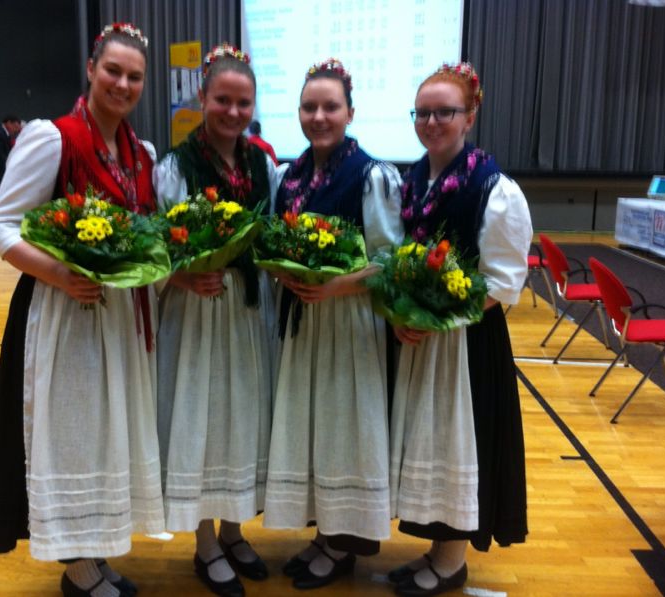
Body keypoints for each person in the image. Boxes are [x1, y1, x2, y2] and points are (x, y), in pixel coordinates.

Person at [0, 23, 163, 597]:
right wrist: (62, 274)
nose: (123, 84)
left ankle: (95, 553)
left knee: (107, 435)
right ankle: (77, 569)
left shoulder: (141, 154)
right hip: (64, 314)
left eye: (134, 76)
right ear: (90, 69)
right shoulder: (53, 139)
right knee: (74, 437)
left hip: (118, 318)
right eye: (113, 70)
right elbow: (0, 226)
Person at [387, 62, 531, 596]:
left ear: (470, 115)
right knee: (428, 446)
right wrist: (402, 312)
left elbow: (503, 282)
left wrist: (437, 315)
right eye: (422, 113)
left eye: (444, 112)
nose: (431, 122)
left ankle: (451, 563)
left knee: (455, 448)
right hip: (421, 339)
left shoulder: (495, 188)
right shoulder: (412, 181)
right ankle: (435, 550)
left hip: (466, 342)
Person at [262, 58, 404, 590]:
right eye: (309, 107)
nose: (318, 116)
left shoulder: (372, 175)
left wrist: (335, 286)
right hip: (304, 322)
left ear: (350, 112)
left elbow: (388, 259)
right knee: (314, 428)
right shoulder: (290, 176)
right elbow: (275, 243)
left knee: (346, 429)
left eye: (330, 107)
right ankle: (325, 533)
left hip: (349, 324)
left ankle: (344, 544)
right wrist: (283, 270)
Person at [153, 42, 279, 597]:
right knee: (202, 420)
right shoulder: (173, 167)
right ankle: (205, 542)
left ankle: (233, 529)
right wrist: (181, 277)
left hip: (248, 309)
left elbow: (270, 234)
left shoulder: (263, 164)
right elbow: (158, 246)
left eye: (243, 102)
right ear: (202, 97)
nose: (233, 111)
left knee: (244, 418)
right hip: (199, 311)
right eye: (222, 99)